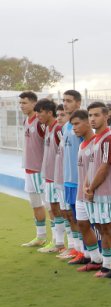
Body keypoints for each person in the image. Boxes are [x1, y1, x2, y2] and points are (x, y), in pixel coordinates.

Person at [84, 101, 111, 281]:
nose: (93, 119)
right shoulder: (96, 139)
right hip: (97, 192)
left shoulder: (109, 137)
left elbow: (104, 166)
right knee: (104, 229)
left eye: (96, 115)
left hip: (108, 192)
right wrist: (87, 186)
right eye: (90, 115)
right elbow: (92, 166)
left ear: (106, 116)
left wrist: (91, 187)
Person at [62, 90, 100, 268]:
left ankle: (101, 258)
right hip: (70, 181)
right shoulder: (66, 127)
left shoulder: (93, 139)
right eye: (63, 100)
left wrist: (88, 183)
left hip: (84, 184)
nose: (65, 104)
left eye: (69, 100)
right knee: (76, 219)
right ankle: (85, 252)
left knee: (97, 224)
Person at [70, 109, 103, 272]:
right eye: (72, 125)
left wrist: (91, 187)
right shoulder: (82, 144)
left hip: (94, 193)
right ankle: (95, 258)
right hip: (81, 191)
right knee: (82, 224)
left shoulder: (97, 142)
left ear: (86, 123)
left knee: (102, 227)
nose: (74, 128)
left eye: (76, 124)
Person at [34, 98, 66, 254]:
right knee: (53, 209)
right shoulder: (47, 128)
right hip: (48, 177)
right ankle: (57, 242)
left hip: (56, 177)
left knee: (59, 210)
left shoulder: (58, 129)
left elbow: (65, 152)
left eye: (40, 112)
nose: (38, 115)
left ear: (48, 112)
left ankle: (61, 244)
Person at [19, 91, 50, 248]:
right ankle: (40, 237)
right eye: (21, 103)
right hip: (29, 170)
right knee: (35, 204)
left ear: (34, 103)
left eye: (24, 103)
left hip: (41, 171)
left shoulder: (40, 122)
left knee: (51, 206)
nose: (21, 106)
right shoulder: (26, 121)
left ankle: (59, 241)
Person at [54, 104, 75, 260]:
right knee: (67, 214)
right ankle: (73, 246)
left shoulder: (75, 130)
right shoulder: (62, 131)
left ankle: (80, 249)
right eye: (58, 115)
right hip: (63, 180)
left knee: (76, 217)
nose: (59, 118)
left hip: (73, 181)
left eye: (62, 115)